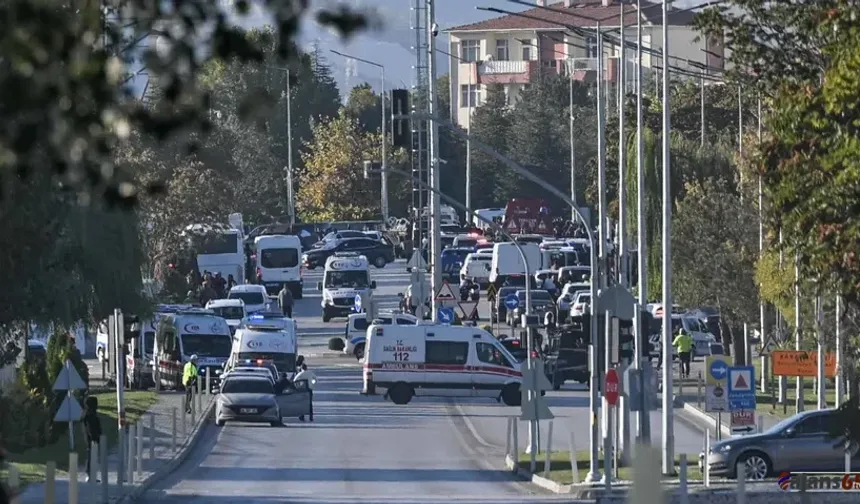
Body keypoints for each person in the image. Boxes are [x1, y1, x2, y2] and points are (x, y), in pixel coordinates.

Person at [82, 396, 102, 482]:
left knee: (93, 456)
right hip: (92, 439)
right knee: (91, 456)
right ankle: (89, 474)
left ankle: (92, 475)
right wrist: (94, 437)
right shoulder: (89, 415)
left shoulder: (90, 414)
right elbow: (90, 428)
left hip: (93, 439)